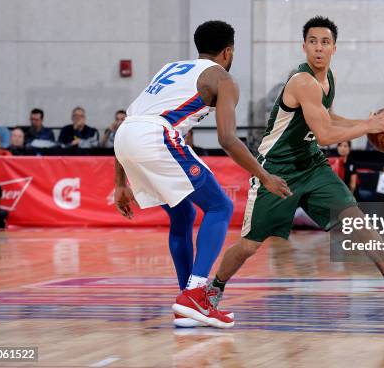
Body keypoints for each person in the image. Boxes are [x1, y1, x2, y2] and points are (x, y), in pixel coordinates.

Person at [207, 16, 384, 323]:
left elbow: (328, 118)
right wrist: (367, 126)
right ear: (303, 47)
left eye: (325, 42)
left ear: (334, 48)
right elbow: (326, 135)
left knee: (357, 222)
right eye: (313, 42)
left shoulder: (329, 80)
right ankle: (214, 289)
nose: (318, 48)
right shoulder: (302, 82)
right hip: (278, 170)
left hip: (312, 165)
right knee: (249, 245)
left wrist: (366, 125)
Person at [113, 20, 290, 329]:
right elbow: (227, 139)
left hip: (125, 135)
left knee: (181, 216)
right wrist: (264, 176)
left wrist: (120, 184)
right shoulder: (223, 78)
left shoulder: (170, 68)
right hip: (156, 136)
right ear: (228, 51)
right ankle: (196, 294)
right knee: (220, 207)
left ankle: (187, 303)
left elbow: (131, 117)